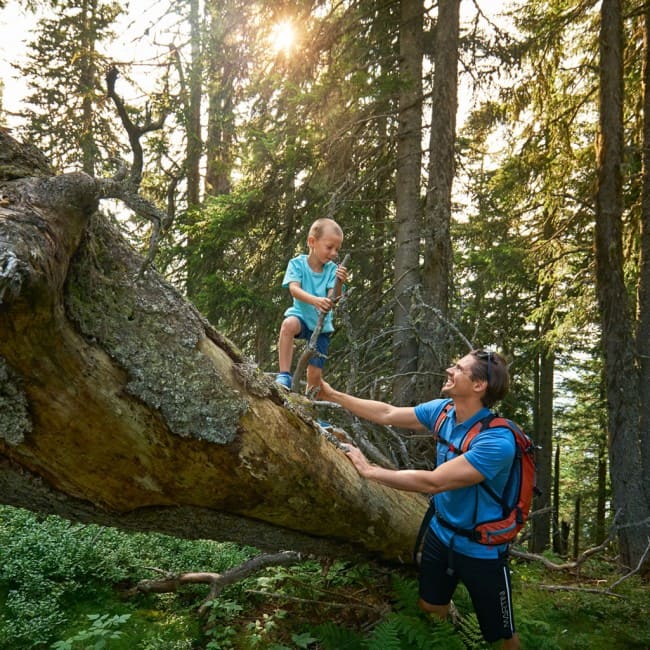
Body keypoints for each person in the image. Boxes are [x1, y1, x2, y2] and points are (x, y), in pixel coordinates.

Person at [318, 349, 521, 650]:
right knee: (430, 606)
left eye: (459, 368)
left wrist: (369, 470)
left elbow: (433, 481)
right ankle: (447, 641)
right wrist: (332, 394)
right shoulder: (444, 412)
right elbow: (387, 414)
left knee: (502, 637)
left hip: (482, 551)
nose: (449, 370)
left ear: (479, 386)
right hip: (441, 535)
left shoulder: (496, 442)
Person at [275, 218, 348, 393]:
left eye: (337, 249)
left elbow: (334, 297)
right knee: (288, 325)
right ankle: (284, 374)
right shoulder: (297, 264)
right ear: (312, 242)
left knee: (314, 374)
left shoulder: (332, 270)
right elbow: (294, 289)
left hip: (321, 327)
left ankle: (310, 407)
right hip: (300, 316)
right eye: (329, 247)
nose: (333, 253)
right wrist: (315, 300)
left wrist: (339, 282)